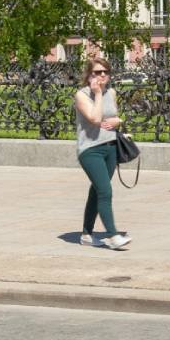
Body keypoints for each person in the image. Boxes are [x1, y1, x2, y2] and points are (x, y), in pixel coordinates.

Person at [74, 57, 130, 249]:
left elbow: (113, 117)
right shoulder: (82, 95)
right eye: (98, 72)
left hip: (111, 147)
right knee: (105, 191)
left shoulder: (111, 92)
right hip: (90, 150)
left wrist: (118, 121)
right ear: (89, 75)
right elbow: (95, 118)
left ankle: (86, 235)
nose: (103, 75)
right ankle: (113, 236)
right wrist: (97, 94)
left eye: (106, 71)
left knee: (97, 191)